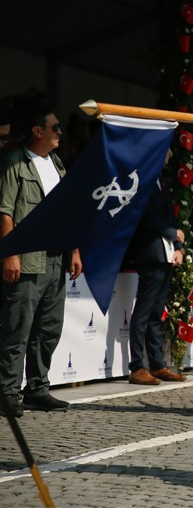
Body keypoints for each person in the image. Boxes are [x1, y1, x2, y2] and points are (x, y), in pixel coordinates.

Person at [0, 105, 82, 416]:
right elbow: (5, 212)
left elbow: (66, 213)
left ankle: (37, 389)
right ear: (38, 131)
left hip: (55, 259)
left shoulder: (57, 164)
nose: (60, 132)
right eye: (55, 128)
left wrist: (74, 250)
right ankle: (8, 392)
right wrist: (10, 253)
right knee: (17, 328)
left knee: (48, 330)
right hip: (26, 259)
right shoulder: (15, 163)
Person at [126, 148, 187, 385]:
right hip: (149, 252)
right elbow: (143, 215)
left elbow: (169, 216)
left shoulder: (161, 179)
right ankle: (137, 366)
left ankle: (158, 363)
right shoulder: (141, 179)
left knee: (156, 311)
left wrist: (179, 246)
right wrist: (171, 232)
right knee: (143, 310)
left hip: (165, 252)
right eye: (167, 149)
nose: (171, 153)